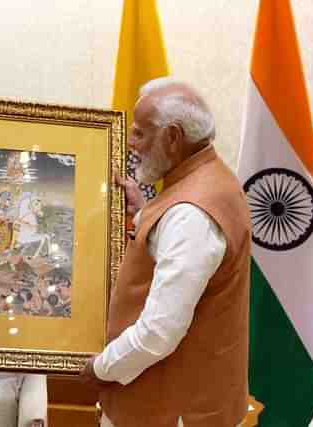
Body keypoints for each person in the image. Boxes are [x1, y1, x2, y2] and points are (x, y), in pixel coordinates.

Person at [79, 77, 251, 427]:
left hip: (170, 413)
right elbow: (181, 243)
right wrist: (144, 212)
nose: (130, 143)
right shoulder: (211, 179)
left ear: (172, 137)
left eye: (140, 133)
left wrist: (100, 368)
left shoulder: (191, 214)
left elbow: (158, 333)